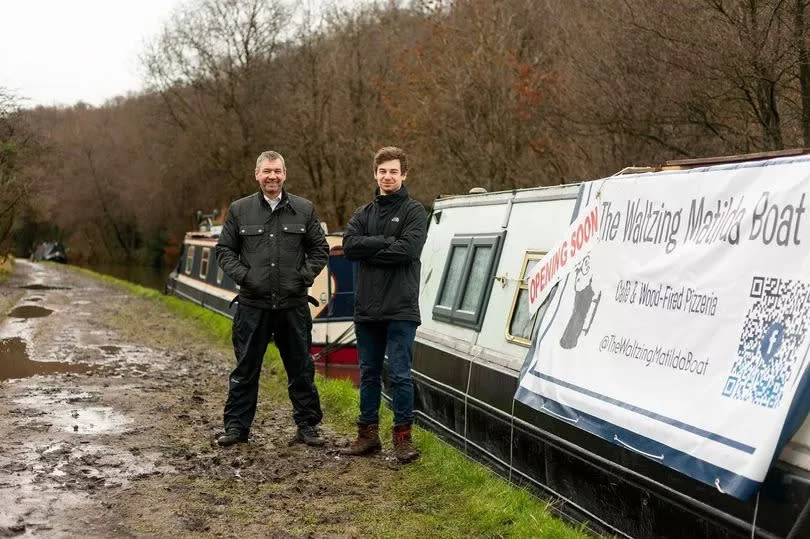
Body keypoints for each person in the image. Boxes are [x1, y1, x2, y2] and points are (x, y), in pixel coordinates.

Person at [214, 150, 329, 447]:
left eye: (277, 171)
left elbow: (320, 250)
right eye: (266, 171)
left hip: (293, 306)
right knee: (245, 370)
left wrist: (302, 278)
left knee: (301, 368)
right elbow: (224, 251)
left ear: (285, 174)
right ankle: (237, 428)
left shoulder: (304, 209)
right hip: (252, 306)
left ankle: (307, 426)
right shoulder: (240, 210)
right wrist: (247, 277)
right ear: (257, 174)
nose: (272, 176)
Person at [341, 146, 427, 463]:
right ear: (374, 174)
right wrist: (386, 242)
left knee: (401, 375)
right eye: (382, 171)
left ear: (403, 175)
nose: (387, 176)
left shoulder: (415, 212)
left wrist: (370, 249)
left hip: (401, 309)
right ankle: (367, 436)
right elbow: (349, 246)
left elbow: (408, 250)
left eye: (393, 171)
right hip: (367, 310)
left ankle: (403, 440)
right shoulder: (362, 214)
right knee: (368, 374)